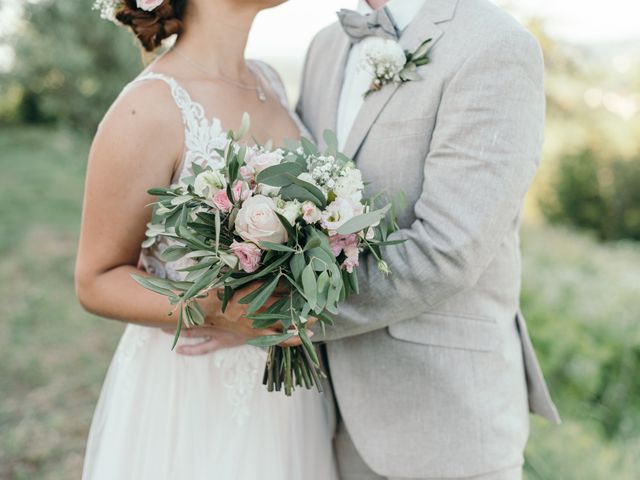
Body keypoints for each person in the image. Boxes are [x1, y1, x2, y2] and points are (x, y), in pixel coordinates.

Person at [295, 0, 562, 478]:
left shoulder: (494, 43)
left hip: (445, 425)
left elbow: (448, 249)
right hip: (320, 422)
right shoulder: (323, 47)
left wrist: (282, 315)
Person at [75, 1, 337, 478]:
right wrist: (217, 308)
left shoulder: (269, 80)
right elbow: (95, 280)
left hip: (284, 397)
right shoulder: (148, 106)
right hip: (190, 393)